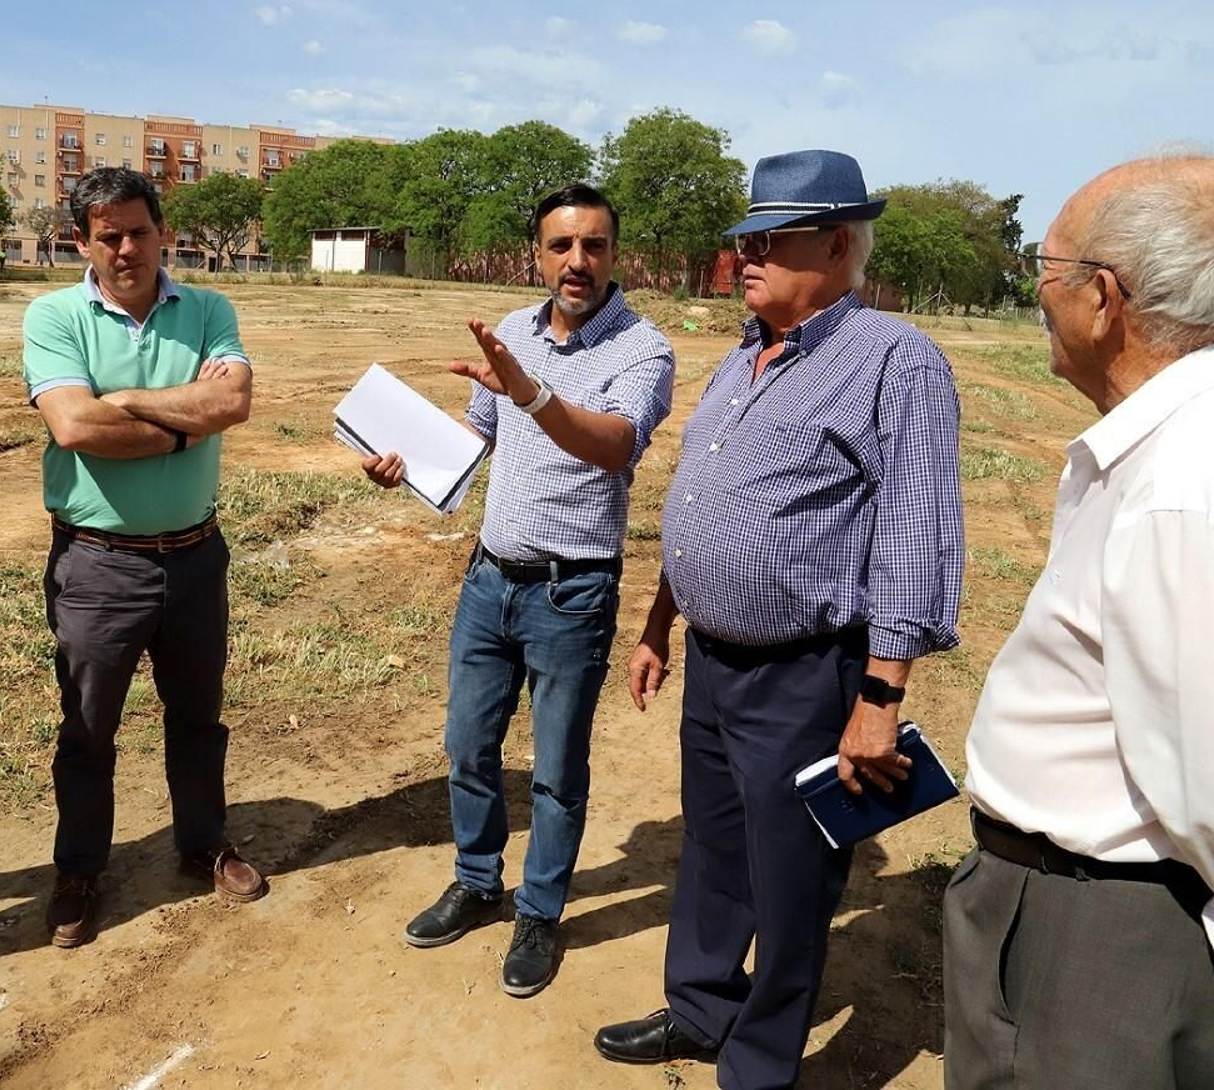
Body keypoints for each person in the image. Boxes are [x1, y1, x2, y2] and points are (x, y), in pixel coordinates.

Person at [594, 150, 964, 1088]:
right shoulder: (742, 358)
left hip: (808, 673)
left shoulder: (893, 360)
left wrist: (881, 696)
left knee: (792, 878)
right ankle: (701, 1009)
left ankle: (758, 1063)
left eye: (770, 241)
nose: (744, 258)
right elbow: (703, 505)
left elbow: (916, 534)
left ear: (837, 246)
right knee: (715, 849)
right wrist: (659, 621)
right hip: (715, 661)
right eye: (743, 241)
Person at [362, 183, 675, 997]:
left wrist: (531, 392)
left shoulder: (643, 350)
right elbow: (481, 436)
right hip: (490, 577)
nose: (578, 262)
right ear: (537, 254)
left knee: (556, 769)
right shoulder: (509, 333)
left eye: (594, 246)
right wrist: (408, 464)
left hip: (572, 592)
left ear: (615, 254)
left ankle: (539, 910)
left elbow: (612, 447)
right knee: (468, 745)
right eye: (561, 246)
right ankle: (475, 880)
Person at [944, 156, 1214, 1089]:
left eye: (1045, 273)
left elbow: (1210, 786)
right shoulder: (1154, 449)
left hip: (1107, 935)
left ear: (1104, 298)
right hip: (1073, 906)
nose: (1038, 297)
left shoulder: (1181, 487)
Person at [22, 167, 263, 950]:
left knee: (198, 718)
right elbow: (76, 430)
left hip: (197, 557)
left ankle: (203, 844)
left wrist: (121, 399)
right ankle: (80, 872)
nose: (126, 248)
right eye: (107, 235)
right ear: (81, 242)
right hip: (99, 566)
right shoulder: (53, 316)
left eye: (138, 231)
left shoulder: (209, 309)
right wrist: (180, 418)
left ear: (163, 232)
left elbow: (232, 403)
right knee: (88, 728)